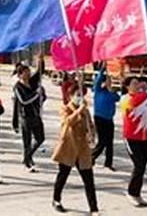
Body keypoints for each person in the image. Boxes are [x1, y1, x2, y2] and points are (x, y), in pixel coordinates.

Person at [52, 83, 98, 215]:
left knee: (89, 180)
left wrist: (92, 133)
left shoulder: (86, 111)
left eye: (82, 95)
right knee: (63, 176)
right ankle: (56, 199)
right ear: (71, 96)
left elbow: (91, 126)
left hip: (83, 149)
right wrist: (79, 111)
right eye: (77, 95)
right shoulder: (65, 108)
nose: (80, 98)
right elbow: (68, 122)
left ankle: (93, 208)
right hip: (69, 147)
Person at [120, 76, 147, 207]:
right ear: (127, 86)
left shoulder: (144, 99)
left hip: (145, 138)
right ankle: (131, 193)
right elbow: (133, 104)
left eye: (138, 83)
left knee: (142, 167)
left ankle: (137, 193)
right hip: (131, 138)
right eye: (134, 83)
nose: (137, 85)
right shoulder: (125, 99)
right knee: (139, 165)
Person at [14, 53, 46, 172]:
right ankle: (27, 162)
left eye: (28, 71)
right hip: (26, 117)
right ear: (20, 74)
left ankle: (28, 156)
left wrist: (40, 60)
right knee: (26, 141)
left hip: (36, 115)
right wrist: (36, 94)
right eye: (25, 72)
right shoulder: (17, 87)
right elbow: (24, 101)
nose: (28, 74)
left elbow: (40, 72)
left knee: (40, 138)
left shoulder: (32, 82)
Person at [91, 67, 120, 171]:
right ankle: (91, 156)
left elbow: (118, 98)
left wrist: (111, 89)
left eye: (110, 81)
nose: (109, 82)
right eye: (108, 80)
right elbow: (98, 79)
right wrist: (103, 68)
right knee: (102, 141)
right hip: (99, 118)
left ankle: (108, 163)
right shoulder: (98, 90)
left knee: (109, 143)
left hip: (109, 119)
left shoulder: (112, 93)